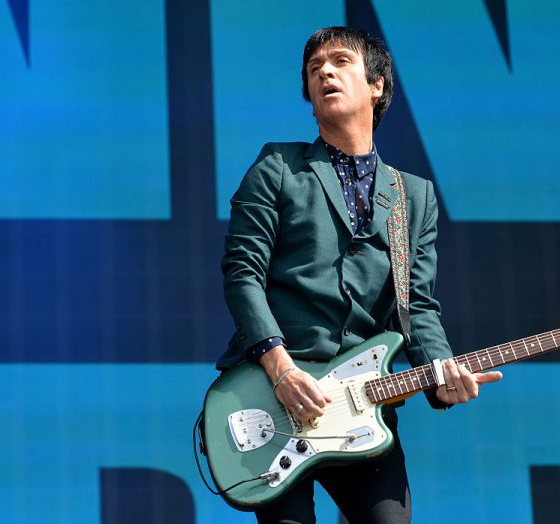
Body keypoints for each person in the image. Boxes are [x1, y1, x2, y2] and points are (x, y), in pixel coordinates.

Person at [217, 26, 502, 523]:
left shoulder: (414, 197)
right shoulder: (278, 166)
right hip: (274, 392)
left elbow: (417, 307)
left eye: (340, 61)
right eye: (314, 69)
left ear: (377, 85)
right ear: (310, 98)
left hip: (363, 407)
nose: (324, 71)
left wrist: (441, 375)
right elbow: (243, 272)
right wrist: (280, 369)